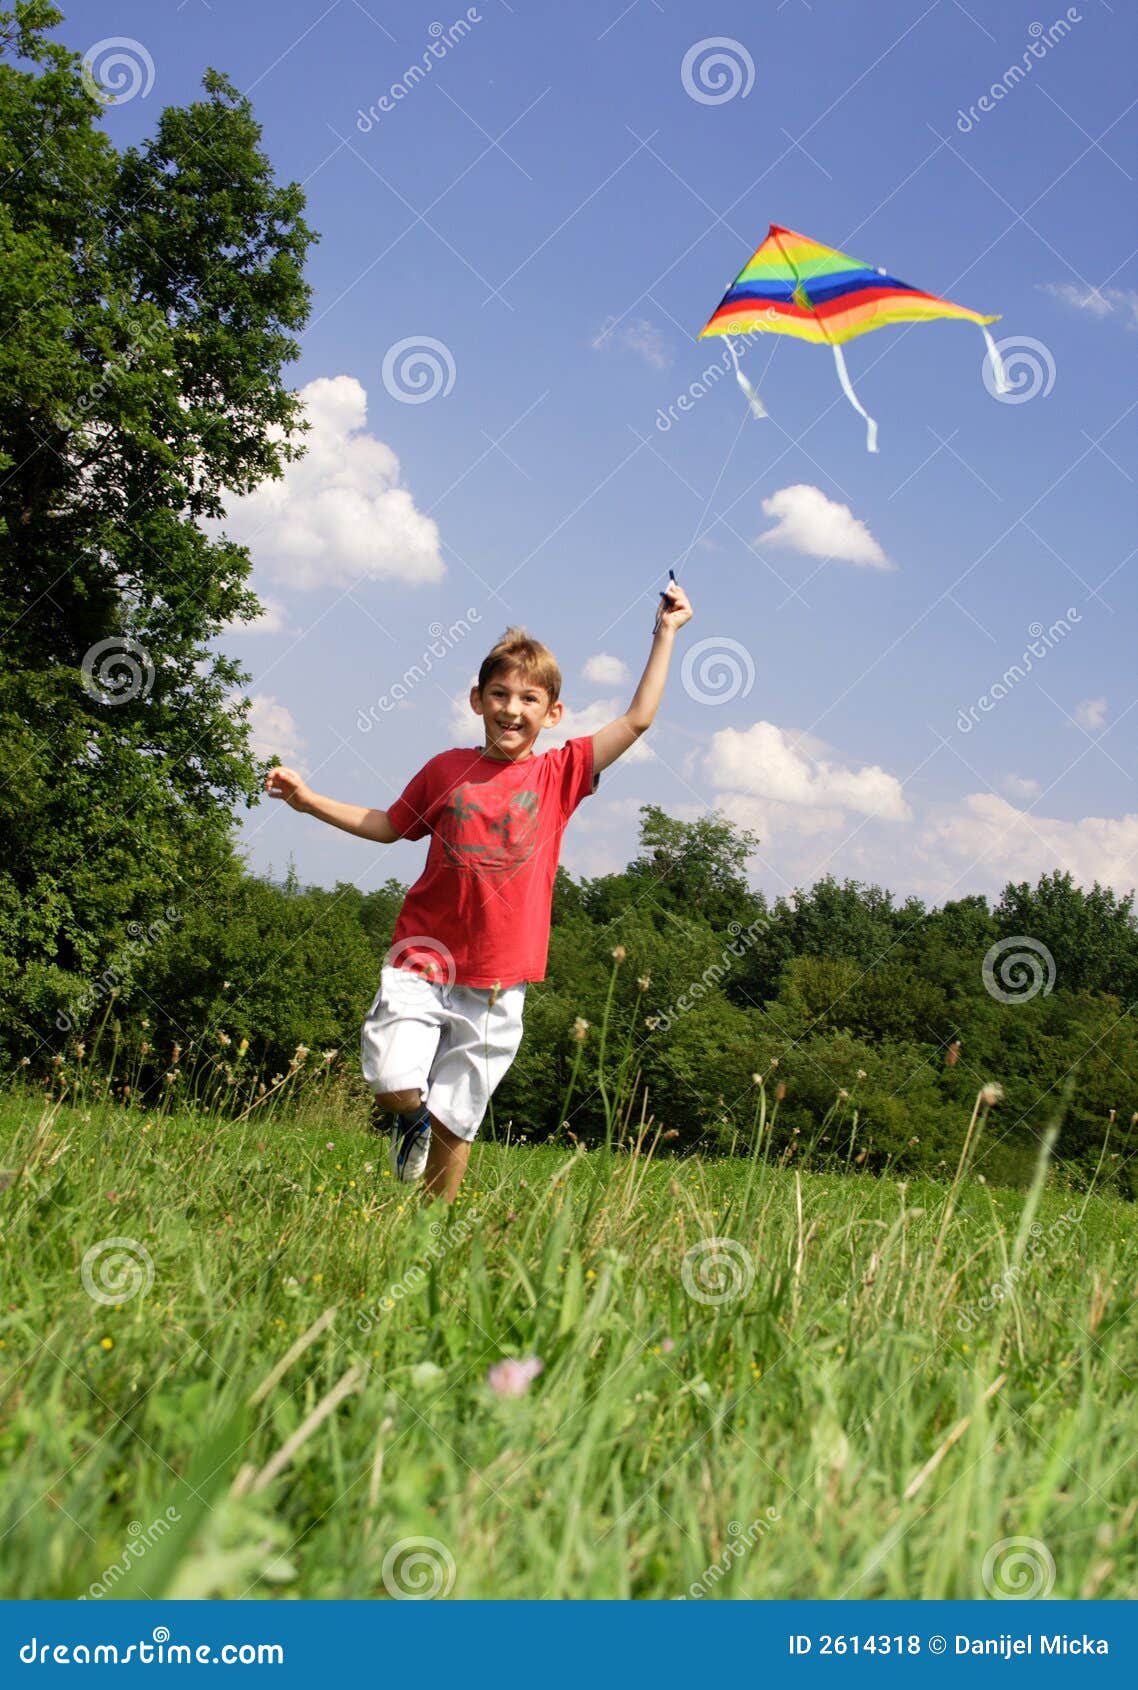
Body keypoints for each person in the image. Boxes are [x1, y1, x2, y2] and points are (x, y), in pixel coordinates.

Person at [265, 577, 693, 1201]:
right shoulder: (446, 769)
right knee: (392, 1079)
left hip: (498, 979)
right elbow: (388, 826)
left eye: (528, 698)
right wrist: (308, 802)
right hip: (423, 954)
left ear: (553, 715)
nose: (511, 709)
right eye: (499, 693)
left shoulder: (561, 773)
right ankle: (406, 1122)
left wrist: (666, 632)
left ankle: (427, 1229)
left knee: (458, 1116)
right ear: (476, 699)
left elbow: (638, 717)